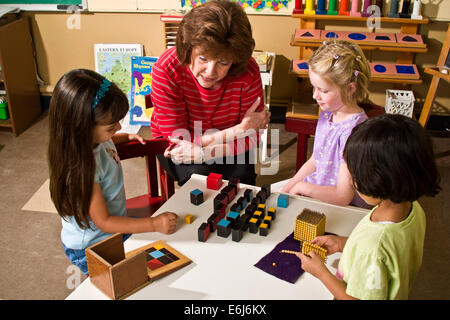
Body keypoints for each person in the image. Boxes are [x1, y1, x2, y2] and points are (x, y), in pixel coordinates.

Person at [296, 114, 441, 300]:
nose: (351, 180)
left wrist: (321, 273)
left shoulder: (371, 247)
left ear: (379, 180)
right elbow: (387, 252)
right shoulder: (413, 208)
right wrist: (344, 243)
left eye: (354, 174)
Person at [48, 69, 178, 274]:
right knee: (124, 282)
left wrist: (124, 137)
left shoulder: (92, 139)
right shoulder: (81, 170)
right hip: (93, 246)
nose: (118, 127)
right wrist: (153, 224)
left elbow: (107, 140)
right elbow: (104, 222)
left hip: (113, 229)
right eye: (111, 127)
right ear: (82, 127)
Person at [150, 0, 270, 186]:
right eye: (203, 58)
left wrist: (206, 152)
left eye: (223, 63)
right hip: (178, 144)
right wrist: (239, 129)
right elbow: (178, 142)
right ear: (188, 49)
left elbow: (252, 138)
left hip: (228, 143)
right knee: (198, 179)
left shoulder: (248, 71)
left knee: (241, 181)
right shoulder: (166, 69)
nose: (210, 72)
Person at [275, 39, 372, 208]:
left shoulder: (355, 132)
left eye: (323, 90)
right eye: (314, 87)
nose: (315, 96)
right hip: (320, 191)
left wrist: (302, 188)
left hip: (342, 207)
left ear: (350, 89)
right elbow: (315, 160)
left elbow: (343, 197)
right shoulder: (327, 115)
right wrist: (288, 187)